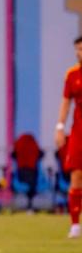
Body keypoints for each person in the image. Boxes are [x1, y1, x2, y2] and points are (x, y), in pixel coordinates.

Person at [55, 36, 82, 238]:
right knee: (76, 175)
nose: (79, 53)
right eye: (77, 49)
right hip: (78, 131)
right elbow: (66, 102)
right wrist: (59, 127)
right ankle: (75, 225)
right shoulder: (72, 74)